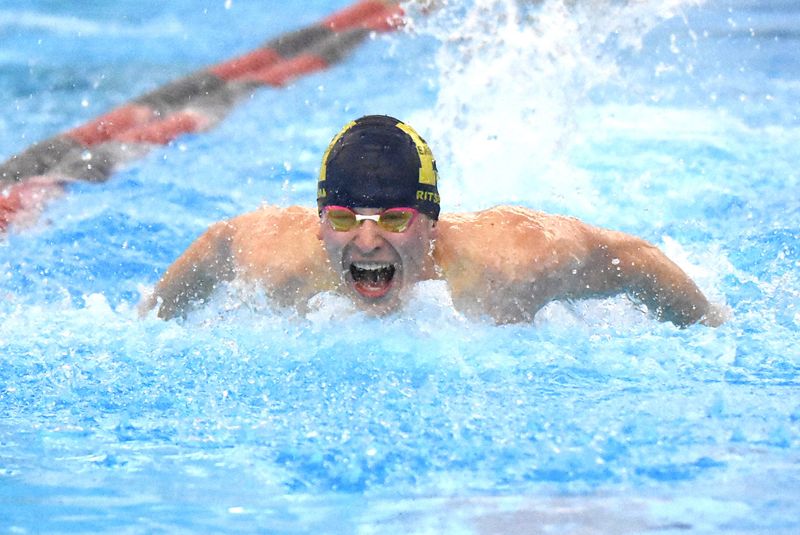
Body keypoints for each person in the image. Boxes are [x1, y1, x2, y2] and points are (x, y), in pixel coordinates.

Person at [141, 114, 723, 327]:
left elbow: (638, 260)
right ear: (319, 222)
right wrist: (145, 329)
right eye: (344, 218)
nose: (366, 241)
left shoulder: (513, 263)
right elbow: (217, 246)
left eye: (394, 219)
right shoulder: (278, 260)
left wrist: (714, 337)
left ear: (432, 223)